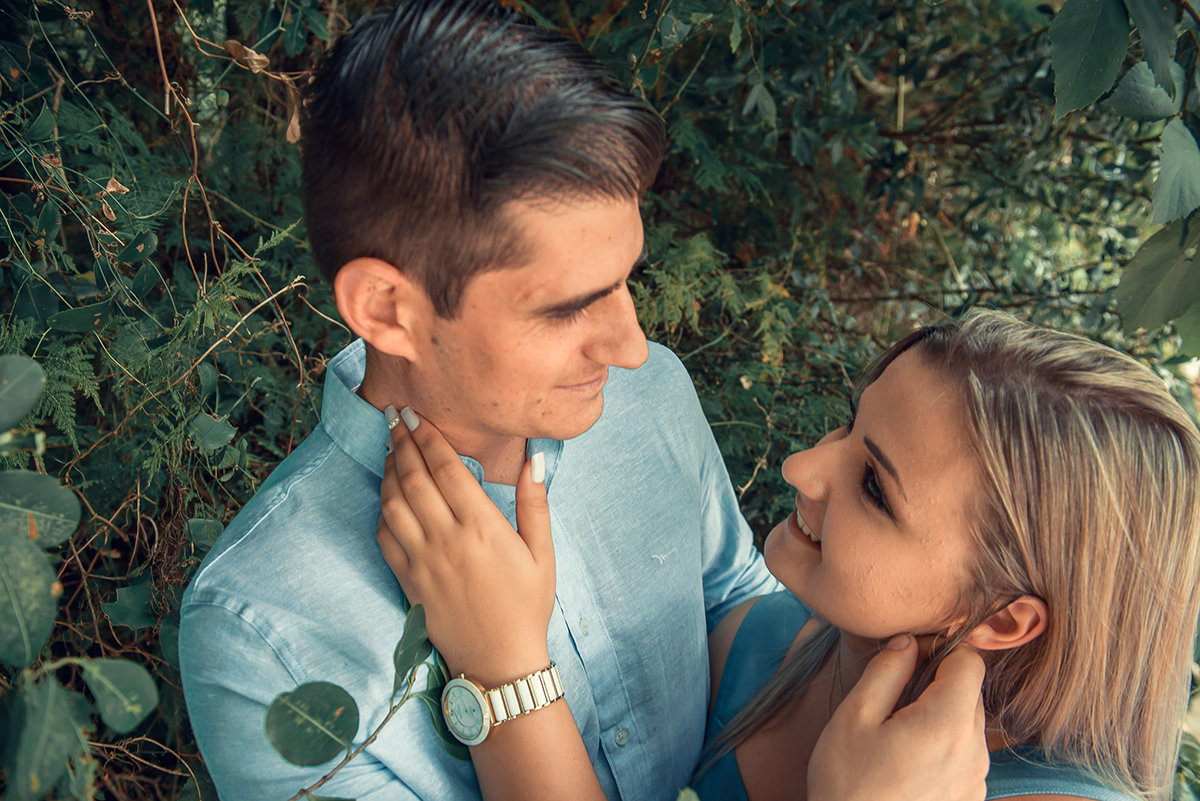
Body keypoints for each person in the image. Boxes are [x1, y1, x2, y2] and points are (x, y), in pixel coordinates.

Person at [179, 0, 989, 797]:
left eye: (625, 280)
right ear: (390, 309)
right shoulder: (262, 633)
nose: (632, 346)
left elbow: (729, 596)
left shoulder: (647, 393)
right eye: (567, 307)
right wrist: (509, 681)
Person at [377, 309, 1200, 801]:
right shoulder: (796, 643)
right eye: (850, 424)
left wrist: (502, 670)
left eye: (875, 487)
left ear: (1005, 616)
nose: (802, 467)